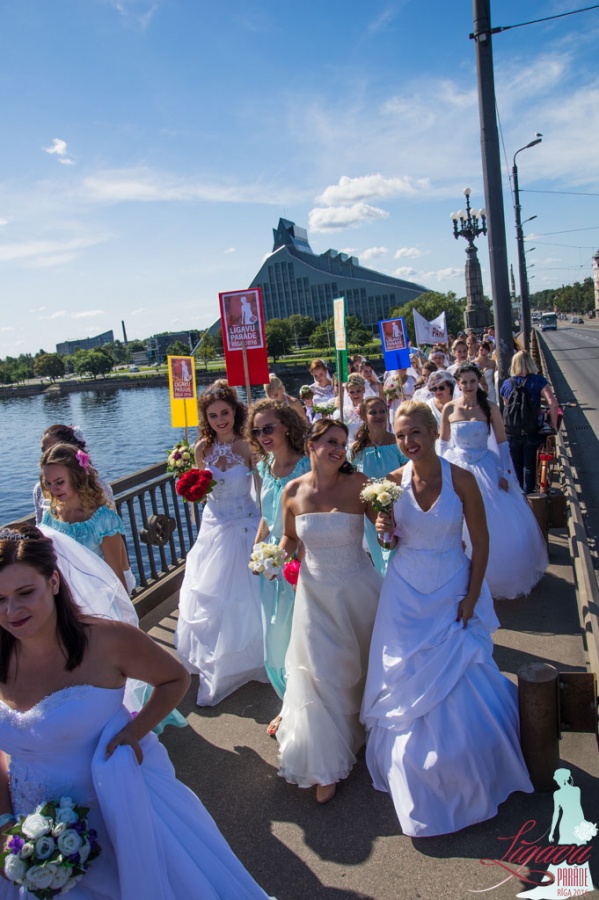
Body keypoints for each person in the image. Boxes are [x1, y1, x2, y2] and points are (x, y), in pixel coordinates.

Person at [0, 525, 272, 900]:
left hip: (114, 811)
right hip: (26, 828)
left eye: (25, 592)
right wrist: (5, 822)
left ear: (54, 582)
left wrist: (134, 731)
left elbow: (174, 678)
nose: (11, 611)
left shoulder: (108, 641)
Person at [361, 402, 533, 837]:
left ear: (431, 431)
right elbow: (389, 543)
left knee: (463, 671)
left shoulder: (461, 480)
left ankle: (473, 766)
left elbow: (481, 542)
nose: (408, 442)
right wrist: (383, 530)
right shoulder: (390, 483)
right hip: (404, 595)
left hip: (452, 587)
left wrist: (472, 597)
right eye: (401, 435)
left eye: (415, 432)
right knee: (402, 676)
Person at [276, 420, 382, 804]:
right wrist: (273, 557)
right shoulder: (292, 491)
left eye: (343, 442)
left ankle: (370, 728)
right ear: (311, 445)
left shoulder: (360, 485)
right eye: (331, 442)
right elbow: (290, 538)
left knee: (362, 665)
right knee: (321, 673)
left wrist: (386, 525)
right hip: (314, 597)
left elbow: (385, 530)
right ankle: (325, 764)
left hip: (358, 593)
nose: (340, 448)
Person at [175, 382, 267, 706]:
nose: (219, 420)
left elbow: (262, 489)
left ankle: (253, 656)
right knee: (211, 592)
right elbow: (201, 487)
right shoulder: (202, 448)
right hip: (214, 525)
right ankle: (215, 657)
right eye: (212, 416)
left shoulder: (248, 445)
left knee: (246, 593)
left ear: (234, 411)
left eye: (224, 413)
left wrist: (266, 526)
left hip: (245, 521)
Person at [440, 363, 549, 599]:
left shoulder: (490, 407)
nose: (468, 386)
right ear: (458, 384)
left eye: (472, 381)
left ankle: (492, 577)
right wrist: (440, 473)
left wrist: (505, 474)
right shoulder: (449, 408)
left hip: (485, 466)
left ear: (478, 381)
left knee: (493, 519)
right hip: (458, 466)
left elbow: (502, 443)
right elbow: (443, 444)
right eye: (464, 382)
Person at [245, 400, 310, 724]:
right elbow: (266, 517)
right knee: (274, 634)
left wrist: (297, 562)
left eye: (268, 428)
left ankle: (305, 704)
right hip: (270, 563)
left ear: (286, 426)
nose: (263, 436)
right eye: (257, 431)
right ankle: (287, 700)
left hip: (301, 558)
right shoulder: (264, 466)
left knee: (300, 632)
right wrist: (257, 551)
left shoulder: (306, 465)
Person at [40, 443, 133, 595]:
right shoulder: (50, 516)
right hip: (65, 598)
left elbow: (116, 576)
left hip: (99, 597)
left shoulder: (103, 521)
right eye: (48, 483)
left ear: (76, 477)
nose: (53, 489)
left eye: (60, 482)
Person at [516, 768, 596, 898]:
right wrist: (582, 823)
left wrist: (552, 831)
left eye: (557, 778)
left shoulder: (558, 794)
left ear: (561, 779)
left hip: (567, 822)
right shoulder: (576, 790)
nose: (556, 780)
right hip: (576, 820)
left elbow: (556, 814)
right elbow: (577, 808)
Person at [351, 396, 407, 574]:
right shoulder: (356, 448)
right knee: (378, 557)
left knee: (397, 554)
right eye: (373, 412)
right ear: (363, 416)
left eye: (382, 411)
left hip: (398, 508)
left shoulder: (397, 442)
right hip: (370, 511)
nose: (379, 416)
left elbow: (409, 472)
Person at [500, 350, 559, 494]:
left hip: (512, 432)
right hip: (531, 430)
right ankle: (530, 497)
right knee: (530, 466)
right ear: (530, 363)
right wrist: (553, 424)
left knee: (516, 468)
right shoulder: (538, 381)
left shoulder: (507, 383)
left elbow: (507, 407)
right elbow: (553, 404)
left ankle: (518, 497)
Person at [33, 425, 114, 525]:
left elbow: (111, 524)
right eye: (43, 450)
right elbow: (40, 524)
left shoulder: (99, 487)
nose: (48, 454)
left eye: (54, 449)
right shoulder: (40, 488)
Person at [334, 373, 367, 442]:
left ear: (364, 390)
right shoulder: (344, 412)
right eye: (352, 392)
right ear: (348, 393)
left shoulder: (370, 408)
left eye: (358, 391)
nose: (355, 395)